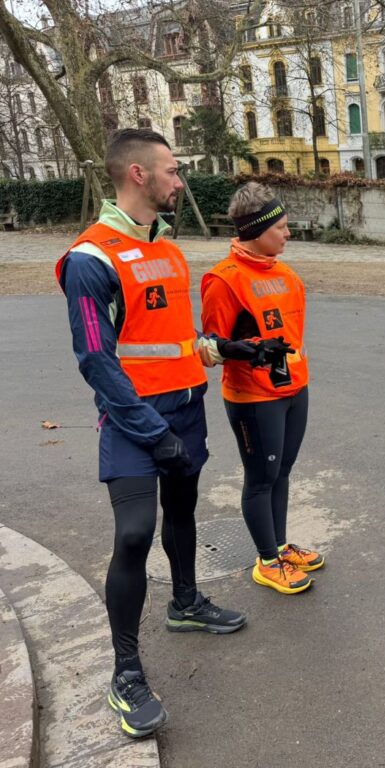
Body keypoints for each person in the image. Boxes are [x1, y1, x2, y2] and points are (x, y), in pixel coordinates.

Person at [56, 129, 247, 739]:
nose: (180, 180)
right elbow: (96, 358)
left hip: (187, 409)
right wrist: (149, 428)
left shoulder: (166, 247)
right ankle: (127, 672)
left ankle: (186, 602)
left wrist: (222, 347)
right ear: (138, 175)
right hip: (135, 421)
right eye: (172, 170)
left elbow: (166, 337)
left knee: (185, 511)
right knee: (136, 533)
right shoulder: (91, 258)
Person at [201, 182, 323, 594]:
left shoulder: (286, 273)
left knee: (282, 472)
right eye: (282, 228)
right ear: (256, 229)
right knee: (261, 477)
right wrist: (245, 350)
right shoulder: (224, 280)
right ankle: (267, 562)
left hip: (294, 390)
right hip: (254, 399)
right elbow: (210, 348)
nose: (289, 234)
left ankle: (280, 546)